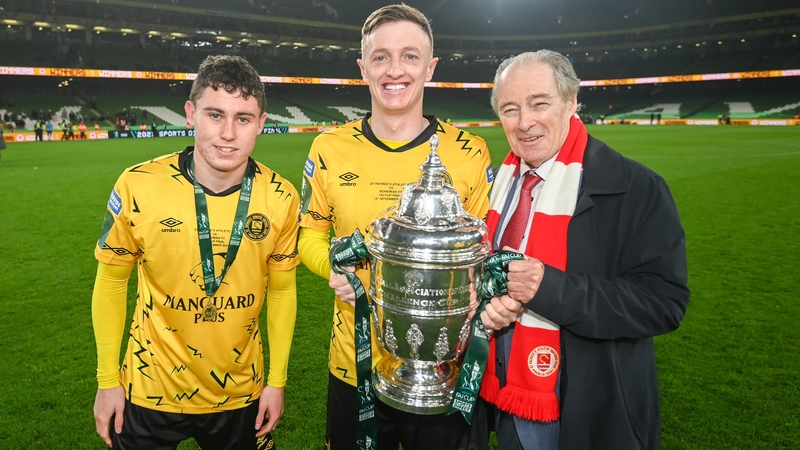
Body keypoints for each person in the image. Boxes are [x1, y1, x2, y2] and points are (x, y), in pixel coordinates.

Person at [298, 4, 493, 450]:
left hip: (445, 365)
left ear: (430, 68)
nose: (395, 70)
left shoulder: (469, 152)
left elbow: (486, 250)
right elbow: (309, 234)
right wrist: (333, 267)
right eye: (381, 57)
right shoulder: (329, 147)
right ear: (363, 69)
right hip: (356, 362)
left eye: (409, 56)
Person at [474, 49, 689, 450]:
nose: (525, 123)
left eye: (540, 103)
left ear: (572, 101)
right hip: (506, 396)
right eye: (510, 109)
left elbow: (663, 303)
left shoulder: (636, 187)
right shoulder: (496, 186)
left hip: (589, 409)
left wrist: (549, 289)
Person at [91, 54, 299, 450]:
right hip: (148, 388)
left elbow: (284, 292)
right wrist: (107, 382)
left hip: (241, 393)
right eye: (214, 115)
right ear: (190, 114)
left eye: (243, 118)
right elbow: (111, 282)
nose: (227, 133)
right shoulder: (138, 186)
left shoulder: (280, 197)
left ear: (260, 123)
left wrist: (277, 382)